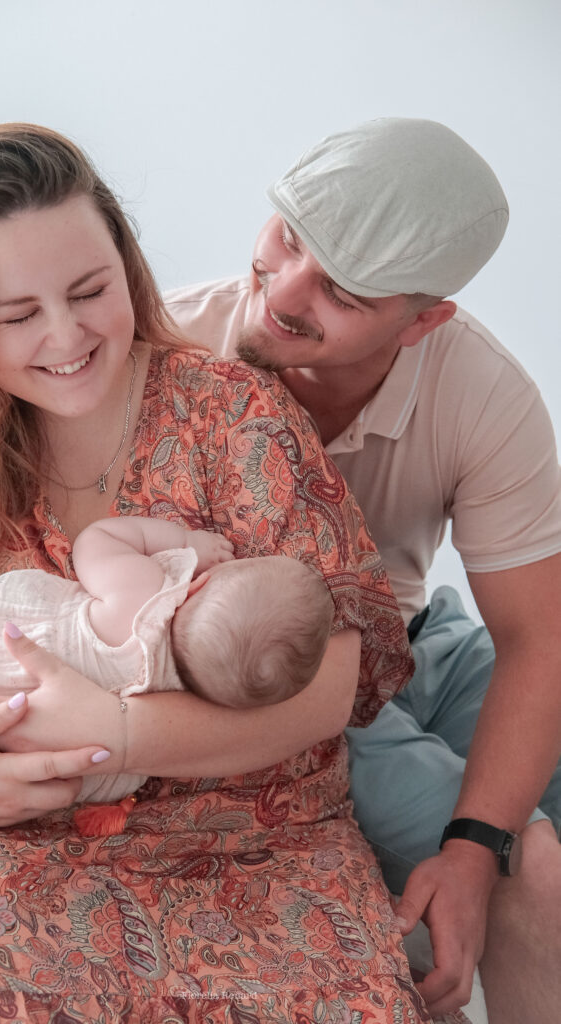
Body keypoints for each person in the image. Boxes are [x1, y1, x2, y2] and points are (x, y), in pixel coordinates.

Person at [0, 123, 442, 1024]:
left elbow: (328, 687)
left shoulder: (232, 416)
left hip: (252, 845)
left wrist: (119, 732)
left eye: (90, 291)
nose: (66, 336)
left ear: (125, 265)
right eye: (17, 315)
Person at [165, 117, 561, 1021]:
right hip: (306, 673)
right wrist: (479, 845)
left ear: (423, 320)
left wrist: (464, 850)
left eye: (341, 289)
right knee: (524, 858)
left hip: (430, 637)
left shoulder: (487, 397)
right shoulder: (169, 350)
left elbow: (537, 637)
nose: (284, 292)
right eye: (288, 238)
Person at [0, 515, 334, 811]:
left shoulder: (143, 599)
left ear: (195, 586)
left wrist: (186, 540)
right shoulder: (176, 706)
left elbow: (97, 539)